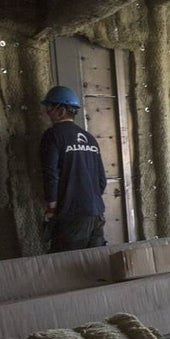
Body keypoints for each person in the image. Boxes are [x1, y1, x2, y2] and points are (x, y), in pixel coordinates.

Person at [39, 85, 107, 251]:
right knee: (94, 264)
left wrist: (51, 208)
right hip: (96, 213)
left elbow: (51, 174)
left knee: (65, 267)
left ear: (61, 110)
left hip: (72, 216)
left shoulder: (53, 136)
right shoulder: (90, 139)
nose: (47, 112)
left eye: (49, 107)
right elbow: (101, 181)